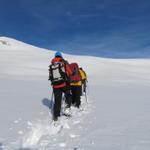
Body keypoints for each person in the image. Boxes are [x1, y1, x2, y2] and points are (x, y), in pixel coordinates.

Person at [48, 51, 72, 121]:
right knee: (68, 95)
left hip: (55, 86)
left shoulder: (52, 64)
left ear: (55, 56)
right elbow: (70, 72)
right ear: (61, 56)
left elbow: (50, 76)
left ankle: (56, 116)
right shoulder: (63, 62)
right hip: (64, 84)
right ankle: (67, 108)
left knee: (57, 101)